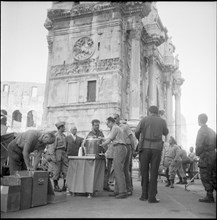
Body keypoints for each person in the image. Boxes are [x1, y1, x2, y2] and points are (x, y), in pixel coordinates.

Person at [135, 105, 168, 203]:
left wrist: (140, 139)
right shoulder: (162, 121)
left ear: (149, 111)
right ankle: (152, 197)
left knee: (144, 172)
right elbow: (165, 132)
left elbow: (137, 131)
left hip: (145, 148)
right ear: (157, 112)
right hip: (156, 148)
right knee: (154, 173)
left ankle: (144, 195)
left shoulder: (144, 120)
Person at [101, 117, 128, 199]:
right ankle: (117, 190)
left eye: (107, 124)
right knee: (117, 169)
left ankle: (122, 191)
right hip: (120, 148)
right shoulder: (117, 128)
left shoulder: (115, 128)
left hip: (119, 147)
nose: (107, 125)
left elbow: (109, 140)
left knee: (118, 170)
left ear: (110, 122)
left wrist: (102, 144)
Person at [113, 113, 136, 196]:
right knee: (118, 169)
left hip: (126, 146)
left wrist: (133, 149)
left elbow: (131, 137)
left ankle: (129, 188)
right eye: (113, 119)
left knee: (126, 169)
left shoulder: (125, 127)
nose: (114, 120)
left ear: (119, 118)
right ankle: (118, 190)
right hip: (118, 147)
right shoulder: (113, 127)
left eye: (115, 118)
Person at [195, 113, 216, 203]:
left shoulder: (201, 131)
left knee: (205, 175)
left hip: (205, 156)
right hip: (213, 155)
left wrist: (198, 153)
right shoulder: (212, 131)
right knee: (214, 175)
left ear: (199, 120)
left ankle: (209, 196)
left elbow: (199, 145)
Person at [52, 121, 68, 192]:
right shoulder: (56, 136)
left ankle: (65, 186)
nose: (64, 128)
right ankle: (56, 186)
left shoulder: (64, 136)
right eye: (63, 127)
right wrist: (53, 156)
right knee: (57, 170)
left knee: (65, 169)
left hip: (64, 153)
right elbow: (53, 147)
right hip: (57, 152)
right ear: (60, 128)